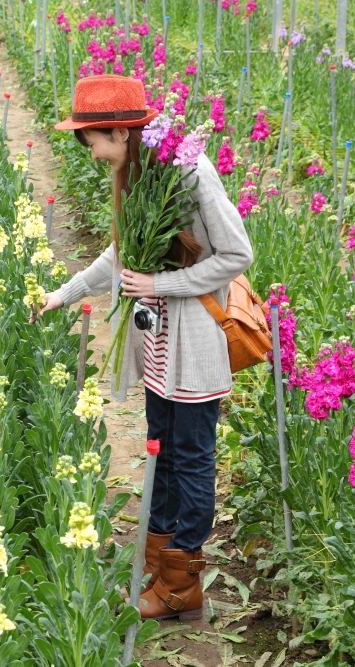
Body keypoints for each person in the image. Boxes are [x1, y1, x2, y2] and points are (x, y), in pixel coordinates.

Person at [37, 75, 252, 621]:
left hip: (195, 341)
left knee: (191, 458)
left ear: (120, 132)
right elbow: (121, 255)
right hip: (159, 342)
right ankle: (158, 564)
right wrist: (64, 294)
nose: (91, 152)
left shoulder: (191, 172)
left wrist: (162, 286)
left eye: (93, 141)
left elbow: (236, 254)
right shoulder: (140, 175)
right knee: (160, 447)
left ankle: (183, 583)